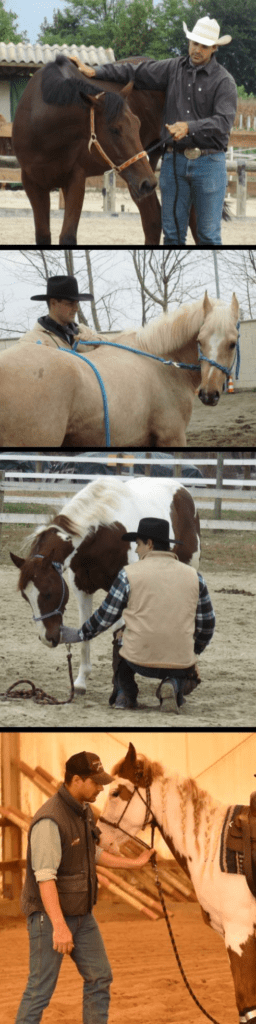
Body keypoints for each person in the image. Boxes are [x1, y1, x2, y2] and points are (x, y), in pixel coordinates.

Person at [15, 749, 154, 1024]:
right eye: (96, 782)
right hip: (49, 917)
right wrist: (59, 926)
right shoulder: (49, 821)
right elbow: (45, 878)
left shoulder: (84, 812)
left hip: (81, 915)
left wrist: (135, 864)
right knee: (40, 991)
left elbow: (93, 854)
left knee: (100, 976)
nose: (101, 788)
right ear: (76, 780)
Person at [81, 17, 237, 245]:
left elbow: (224, 122)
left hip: (209, 163)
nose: (197, 49)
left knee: (208, 236)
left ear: (214, 48)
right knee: (172, 236)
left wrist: (189, 127)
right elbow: (134, 71)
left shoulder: (224, 82)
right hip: (174, 162)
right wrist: (96, 72)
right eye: (194, 43)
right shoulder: (172, 68)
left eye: (204, 46)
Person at [60, 517, 215, 712]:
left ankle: (125, 694)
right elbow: (207, 624)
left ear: (149, 544)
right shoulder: (195, 577)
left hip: (138, 659)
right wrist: (194, 650)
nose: (135, 550)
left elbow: (106, 617)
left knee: (119, 637)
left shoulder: (127, 575)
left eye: (138, 544)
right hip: (179, 660)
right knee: (183, 664)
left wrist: (79, 634)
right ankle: (173, 684)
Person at [18, 275, 102, 353]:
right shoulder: (31, 341)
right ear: (53, 303)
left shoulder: (85, 331)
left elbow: (110, 343)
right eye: (70, 303)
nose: (76, 308)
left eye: (76, 303)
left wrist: (96, 340)